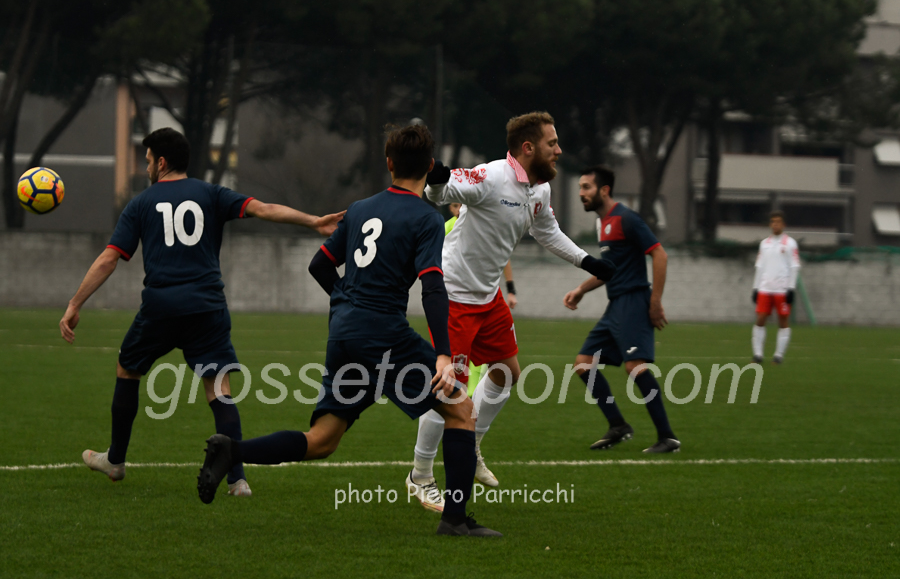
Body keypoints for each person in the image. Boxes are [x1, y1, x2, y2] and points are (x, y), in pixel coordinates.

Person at [196, 124, 501, 537]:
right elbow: (432, 286)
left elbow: (319, 265)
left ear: (389, 163)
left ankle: (232, 450)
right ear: (431, 166)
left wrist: (345, 301)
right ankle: (455, 521)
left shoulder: (359, 209)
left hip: (344, 333)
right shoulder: (426, 218)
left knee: (322, 439)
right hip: (384, 334)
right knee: (461, 410)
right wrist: (444, 354)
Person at [60, 127, 343, 496]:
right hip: (207, 307)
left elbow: (109, 259)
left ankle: (115, 460)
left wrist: (74, 303)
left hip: (161, 307)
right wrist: (314, 221)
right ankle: (237, 479)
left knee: (127, 369)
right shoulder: (212, 194)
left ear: (162, 162)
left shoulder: (141, 203)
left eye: (148, 160)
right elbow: (263, 209)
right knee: (219, 388)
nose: (147, 167)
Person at [405, 111, 616, 511]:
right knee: (449, 389)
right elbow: (439, 193)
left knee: (506, 373)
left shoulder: (539, 190)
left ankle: (472, 444)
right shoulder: (491, 176)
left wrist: (587, 262)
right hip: (455, 297)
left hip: (488, 298)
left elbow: (547, 231)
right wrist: (437, 176)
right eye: (552, 143)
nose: (559, 150)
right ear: (528, 148)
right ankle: (420, 474)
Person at [563, 166, 680, 453]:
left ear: (604, 190)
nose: (581, 193)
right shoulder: (602, 223)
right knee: (583, 363)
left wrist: (655, 301)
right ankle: (618, 426)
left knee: (634, 367)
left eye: (586, 187)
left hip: (634, 301)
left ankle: (668, 437)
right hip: (615, 305)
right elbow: (610, 270)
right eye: (580, 188)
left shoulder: (627, 218)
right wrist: (581, 289)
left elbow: (660, 254)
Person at [445, 202, 518, 395]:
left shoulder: (483, 224)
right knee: (454, 376)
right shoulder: (446, 228)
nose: (458, 209)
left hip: (486, 298)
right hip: (457, 300)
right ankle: (459, 400)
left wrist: (510, 288)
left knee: (503, 370)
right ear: (450, 208)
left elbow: (503, 256)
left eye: (461, 204)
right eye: (454, 205)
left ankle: (470, 398)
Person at [752, 211, 800, 364]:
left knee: (783, 321)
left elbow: (794, 266)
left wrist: (791, 288)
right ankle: (758, 355)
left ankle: (778, 356)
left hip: (782, 289)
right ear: (770, 224)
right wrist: (755, 288)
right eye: (773, 222)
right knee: (760, 319)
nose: (775, 224)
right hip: (765, 288)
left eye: (778, 222)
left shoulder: (790, 243)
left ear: (783, 225)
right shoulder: (764, 244)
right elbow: (759, 266)